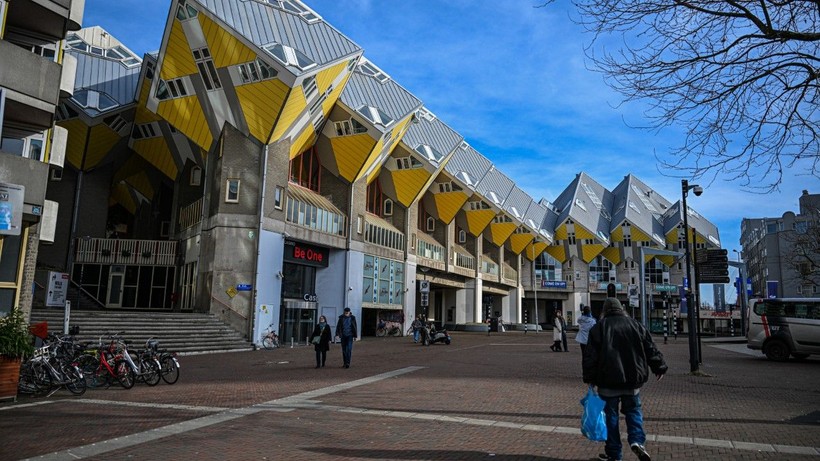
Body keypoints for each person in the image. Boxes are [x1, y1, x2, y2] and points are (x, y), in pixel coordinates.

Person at [583, 298, 667, 461]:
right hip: (632, 379)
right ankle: (637, 441)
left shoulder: (598, 328)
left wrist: (589, 378)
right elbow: (650, 348)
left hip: (607, 381)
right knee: (633, 411)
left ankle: (614, 454)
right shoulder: (636, 325)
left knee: (611, 417)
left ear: (605, 311)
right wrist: (659, 367)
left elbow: (590, 357)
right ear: (621, 309)